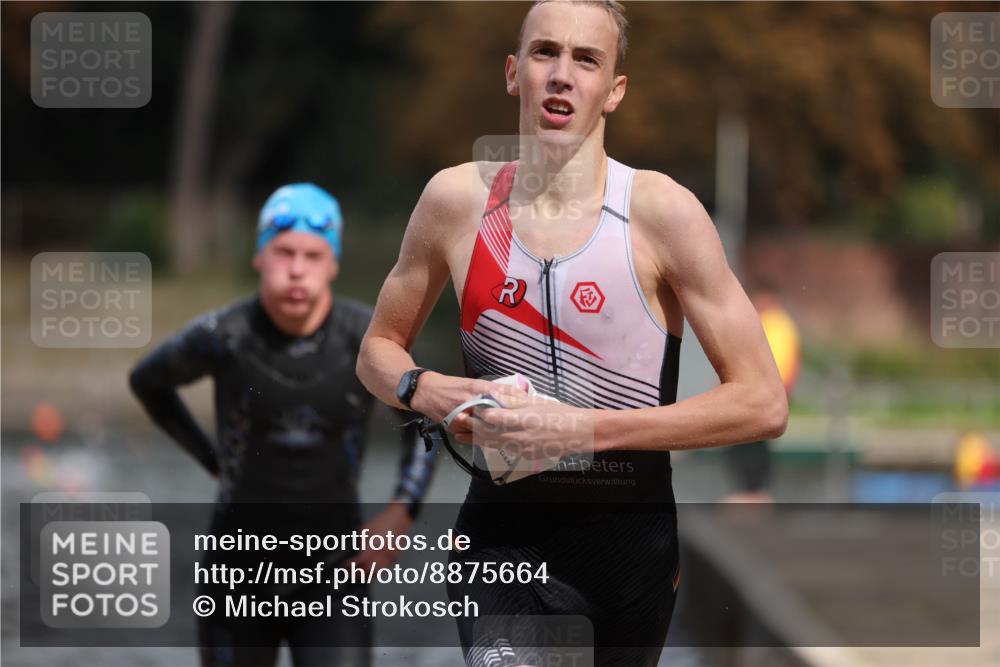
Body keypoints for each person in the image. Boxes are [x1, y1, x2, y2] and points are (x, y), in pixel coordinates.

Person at [356, 1, 788, 665]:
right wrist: (427, 388)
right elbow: (377, 352)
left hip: (631, 553)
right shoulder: (456, 202)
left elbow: (763, 401)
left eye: (586, 60)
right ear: (512, 73)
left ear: (614, 90)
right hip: (500, 540)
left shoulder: (661, 214)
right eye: (544, 53)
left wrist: (585, 431)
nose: (563, 74)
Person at [129, 183, 436, 667]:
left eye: (313, 255)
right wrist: (210, 458)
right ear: (259, 257)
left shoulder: (366, 342)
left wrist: (402, 513)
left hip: (335, 575)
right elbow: (147, 381)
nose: (297, 269)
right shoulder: (224, 335)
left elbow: (424, 419)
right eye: (284, 252)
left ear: (333, 263)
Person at [722, 288, 801, 503]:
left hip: (762, 393)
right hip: (763, 392)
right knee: (750, 441)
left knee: (750, 442)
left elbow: (779, 363)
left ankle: (753, 492)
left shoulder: (775, 323)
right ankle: (753, 491)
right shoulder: (774, 323)